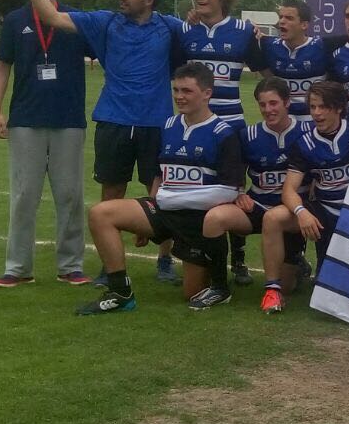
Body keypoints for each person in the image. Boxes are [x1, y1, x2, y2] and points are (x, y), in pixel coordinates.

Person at [22, 0, 186, 285]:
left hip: (157, 123)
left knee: (163, 193)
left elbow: (209, 38)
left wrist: (250, 31)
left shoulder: (170, 27)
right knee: (111, 193)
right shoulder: (105, 22)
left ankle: (165, 260)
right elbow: (51, 16)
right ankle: (109, 265)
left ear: (149, 0)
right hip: (113, 120)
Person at [76, 63, 245, 314]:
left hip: (198, 223)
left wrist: (170, 200)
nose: (179, 96)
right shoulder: (167, 127)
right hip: (165, 211)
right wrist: (150, 210)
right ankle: (120, 293)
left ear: (207, 93)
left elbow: (230, 191)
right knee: (101, 213)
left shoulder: (223, 133)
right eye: (176, 90)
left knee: (191, 293)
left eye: (187, 91)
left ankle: (217, 282)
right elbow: (159, 175)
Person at [0, 0, 90, 287]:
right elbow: (3, 65)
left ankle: (71, 265)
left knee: (70, 194)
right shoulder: (16, 20)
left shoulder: (75, 19)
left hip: (68, 119)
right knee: (23, 195)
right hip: (26, 120)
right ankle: (17, 268)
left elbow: (105, 50)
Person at [182, 0, 267, 286]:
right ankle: (194, 255)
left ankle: (239, 257)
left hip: (230, 123)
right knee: (195, 188)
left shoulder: (244, 31)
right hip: (196, 125)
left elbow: (264, 71)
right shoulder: (187, 31)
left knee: (233, 191)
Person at [201, 78, 306, 314]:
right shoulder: (248, 135)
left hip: (290, 214)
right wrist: (238, 192)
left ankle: (296, 263)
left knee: (288, 285)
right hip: (257, 205)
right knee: (216, 217)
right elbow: (232, 169)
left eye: (274, 103)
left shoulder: (306, 132)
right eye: (263, 105)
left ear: (287, 102)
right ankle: (220, 283)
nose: (268, 110)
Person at [260, 81, 349, 303]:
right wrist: (301, 211)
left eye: (323, 107)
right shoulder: (304, 143)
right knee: (273, 217)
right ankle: (272, 291)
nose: (316, 113)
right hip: (325, 213)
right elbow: (289, 190)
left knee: (347, 292)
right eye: (313, 107)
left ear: (339, 107)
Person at [260, 0, 333, 118]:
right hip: (284, 125)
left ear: (304, 25)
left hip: (314, 123)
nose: (282, 21)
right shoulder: (269, 45)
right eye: (281, 17)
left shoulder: (322, 46)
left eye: (289, 18)